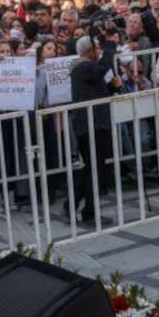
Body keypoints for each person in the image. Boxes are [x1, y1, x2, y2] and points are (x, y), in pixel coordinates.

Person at [70, 34, 121, 222]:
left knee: (94, 167)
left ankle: (76, 205)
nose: (99, 52)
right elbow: (100, 70)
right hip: (89, 124)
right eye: (97, 48)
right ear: (88, 51)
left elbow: (99, 88)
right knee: (94, 168)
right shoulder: (81, 67)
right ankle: (87, 210)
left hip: (96, 123)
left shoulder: (89, 69)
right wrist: (110, 46)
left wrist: (114, 88)